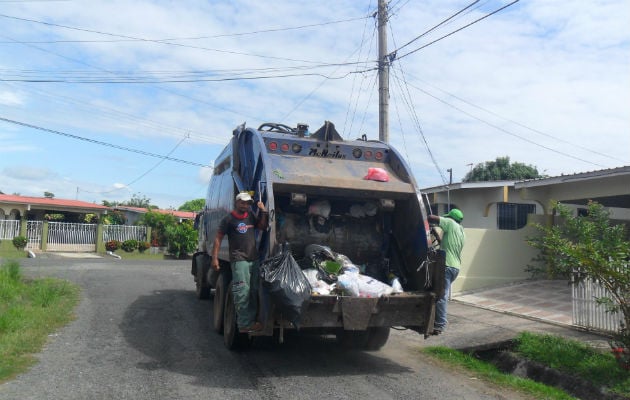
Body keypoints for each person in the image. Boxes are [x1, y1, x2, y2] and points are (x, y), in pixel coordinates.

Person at [211, 192, 268, 333]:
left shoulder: (250, 216)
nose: (245, 205)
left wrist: (263, 211)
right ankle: (244, 324)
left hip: (253, 259)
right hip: (239, 260)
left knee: (253, 291)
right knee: (242, 291)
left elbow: (262, 226)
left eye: (248, 203)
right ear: (237, 202)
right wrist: (214, 258)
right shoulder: (228, 219)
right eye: (242, 202)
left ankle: (251, 321)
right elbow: (218, 238)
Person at [428, 208, 465, 335]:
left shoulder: (450, 223)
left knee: (441, 296)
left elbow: (432, 218)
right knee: (439, 294)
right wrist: (436, 235)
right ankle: (435, 320)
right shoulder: (461, 231)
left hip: (446, 265)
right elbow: (445, 243)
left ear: (451, 218)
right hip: (455, 268)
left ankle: (440, 325)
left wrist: (426, 219)